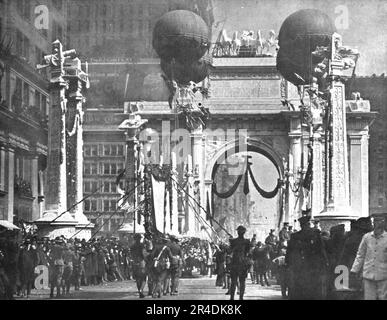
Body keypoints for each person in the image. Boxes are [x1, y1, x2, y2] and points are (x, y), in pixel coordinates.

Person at [285, 215, 328, 300]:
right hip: (313, 267)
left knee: (299, 289)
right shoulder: (315, 234)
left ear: (301, 225)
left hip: (300, 267)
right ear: (308, 224)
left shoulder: (295, 236)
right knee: (313, 289)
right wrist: (325, 262)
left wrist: (288, 264)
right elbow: (321, 250)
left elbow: (289, 253)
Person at [351, 214, 387, 300]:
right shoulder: (367, 237)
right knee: (369, 297)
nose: (377, 224)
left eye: (380, 222)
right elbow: (360, 254)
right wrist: (354, 269)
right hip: (368, 273)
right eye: (375, 222)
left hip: (384, 274)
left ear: (384, 224)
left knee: (383, 297)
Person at [229, 225, 251, 300]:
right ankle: (241, 298)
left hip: (235, 263)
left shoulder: (233, 241)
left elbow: (230, 250)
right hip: (243, 263)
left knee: (234, 282)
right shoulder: (247, 241)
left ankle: (232, 298)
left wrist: (231, 241)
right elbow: (248, 253)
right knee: (242, 282)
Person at [130, 234, 148, 298]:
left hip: (134, 262)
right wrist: (147, 260)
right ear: (140, 238)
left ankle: (139, 290)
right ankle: (141, 290)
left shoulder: (132, 246)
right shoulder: (142, 245)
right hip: (141, 262)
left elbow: (131, 254)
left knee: (137, 278)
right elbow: (144, 254)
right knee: (143, 278)